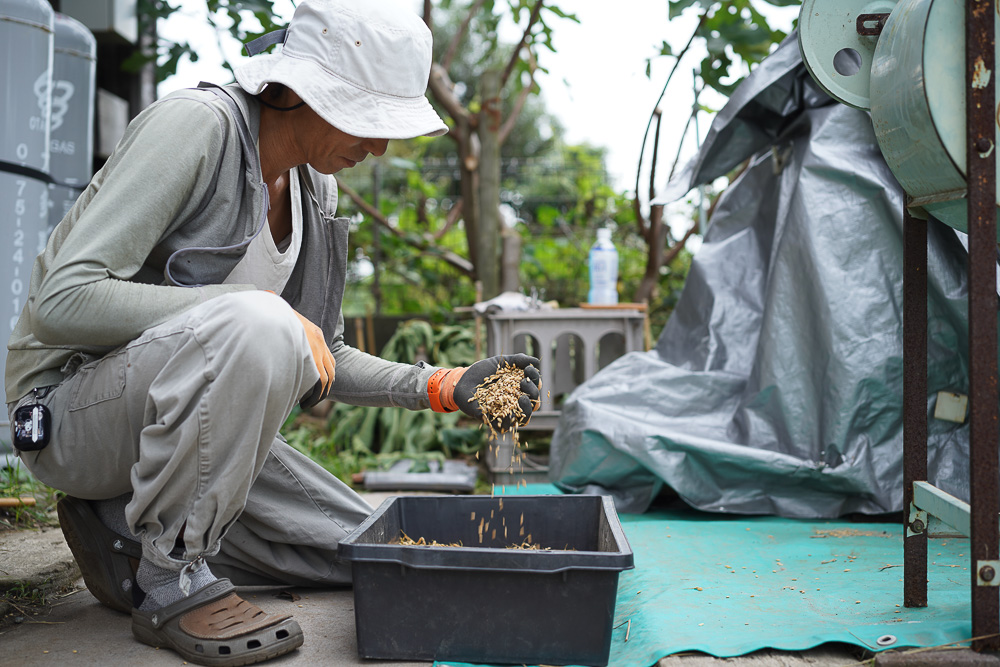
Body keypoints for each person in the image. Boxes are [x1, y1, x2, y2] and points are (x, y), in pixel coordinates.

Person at [4, 0, 541, 664]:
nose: (377, 147)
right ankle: (169, 577)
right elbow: (63, 299)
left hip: (179, 428)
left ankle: (115, 529)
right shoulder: (196, 128)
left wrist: (439, 384)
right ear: (296, 89)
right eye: (365, 119)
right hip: (68, 415)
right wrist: (250, 308)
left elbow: (322, 352)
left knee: (374, 549)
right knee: (258, 319)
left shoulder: (318, 190)